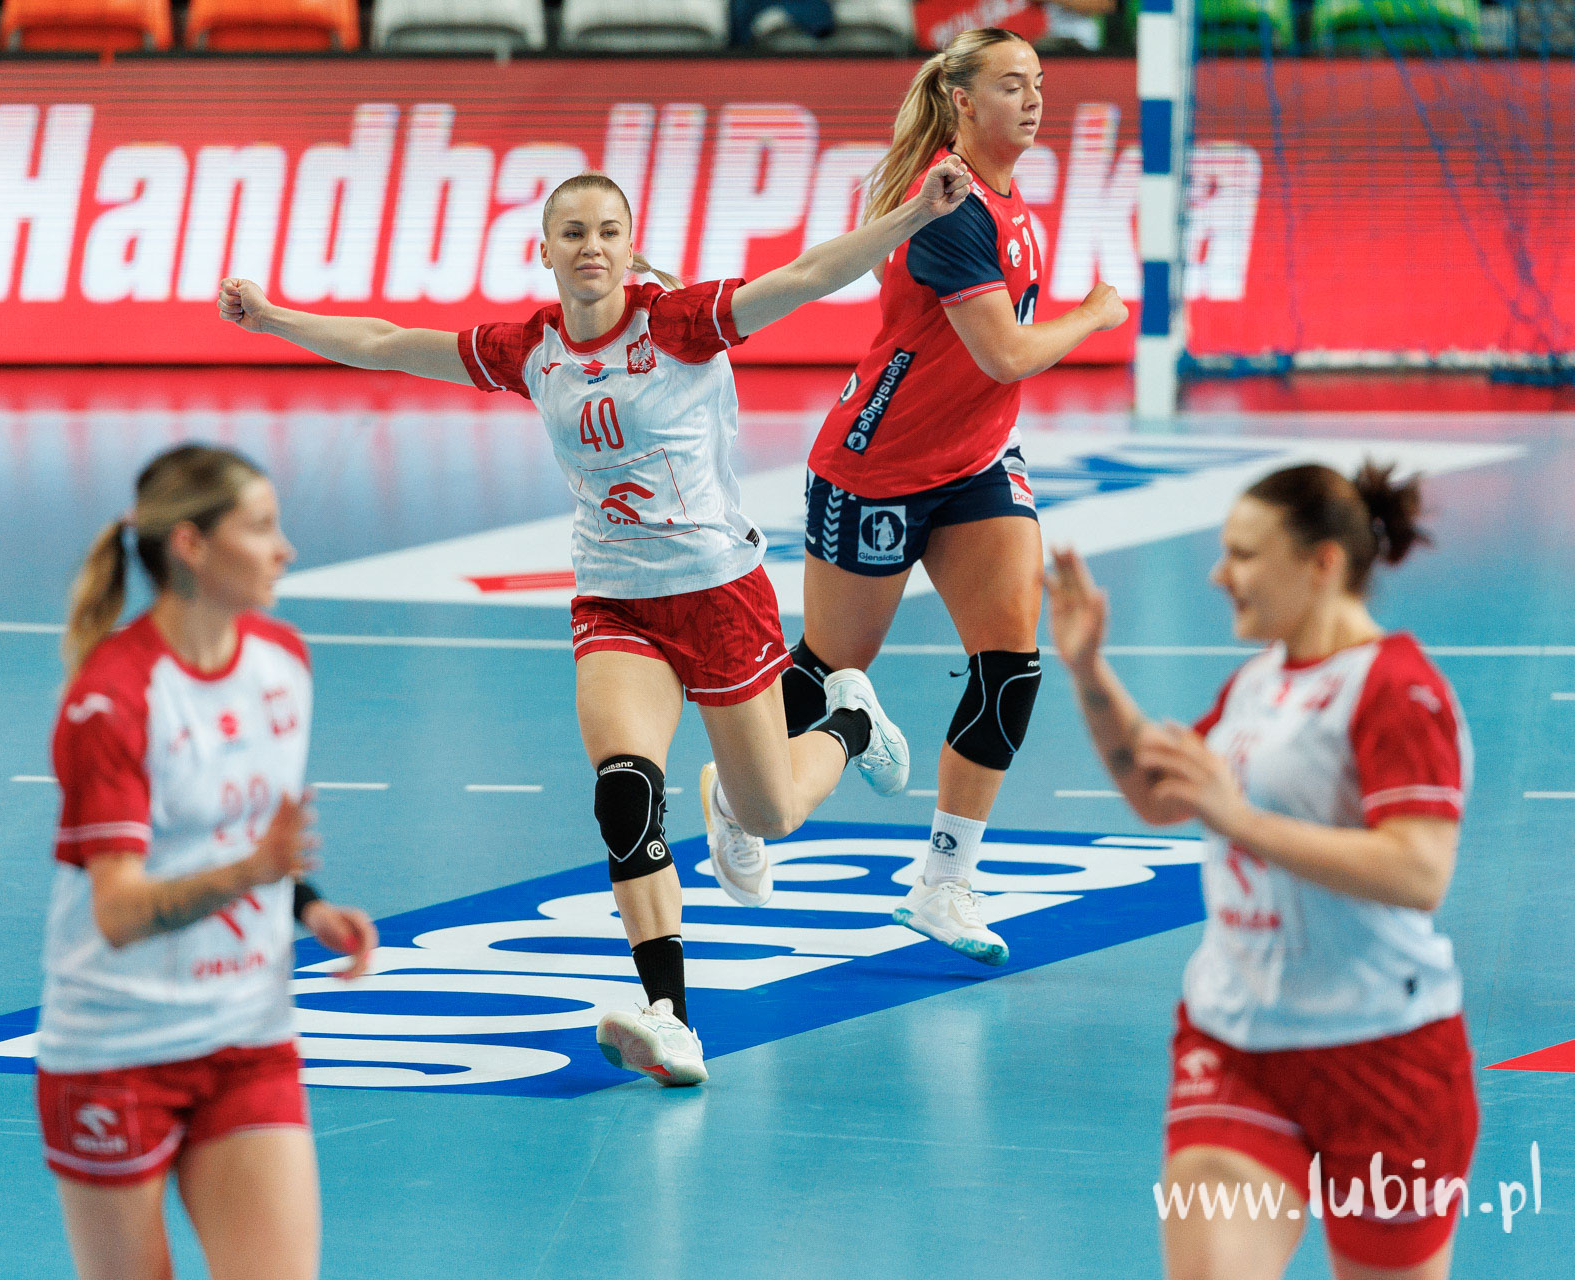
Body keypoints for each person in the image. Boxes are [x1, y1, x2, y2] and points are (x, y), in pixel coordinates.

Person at [217, 156, 976, 1085]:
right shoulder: (530, 349)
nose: (592, 248)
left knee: (771, 813)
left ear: (628, 247)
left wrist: (913, 214)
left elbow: (812, 273)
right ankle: (671, 1017)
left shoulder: (683, 323)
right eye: (573, 233)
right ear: (545, 250)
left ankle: (850, 719)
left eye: (608, 232)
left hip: (719, 593)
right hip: (616, 601)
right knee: (625, 792)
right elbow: (385, 341)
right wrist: (274, 318)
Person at [1048, 463, 1478, 1280]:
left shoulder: (1396, 687)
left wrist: (1240, 818)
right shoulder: (1257, 684)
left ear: (1322, 564)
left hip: (1386, 1057)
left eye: (1244, 555)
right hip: (1237, 1044)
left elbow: (1419, 871)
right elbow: (1160, 793)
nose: (1220, 575)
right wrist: (1089, 671)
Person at [781, 27, 1128, 967]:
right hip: (877, 466)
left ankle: (943, 882)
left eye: (1039, 81)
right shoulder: (950, 205)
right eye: (1012, 84)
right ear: (963, 101)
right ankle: (745, 790)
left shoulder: (1007, 198)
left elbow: (980, 363)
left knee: (1011, 665)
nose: (1034, 97)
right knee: (827, 667)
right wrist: (1093, 316)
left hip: (975, 461)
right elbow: (1005, 354)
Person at [37, 444, 379, 1280]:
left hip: (247, 1033)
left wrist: (306, 904)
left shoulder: (282, 663)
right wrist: (251, 875)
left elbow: (245, 834)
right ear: (191, 544)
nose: (284, 549)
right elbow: (118, 913)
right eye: (260, 527)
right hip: (117, 1051)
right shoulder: (113, 699)